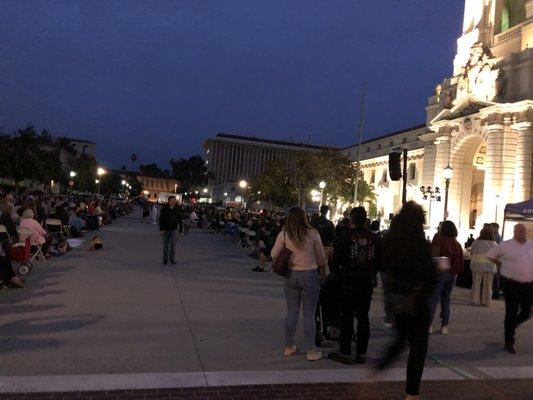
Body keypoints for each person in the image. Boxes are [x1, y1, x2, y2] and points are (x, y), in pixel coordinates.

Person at [378, 201, 437, 400]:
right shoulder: (418, 242)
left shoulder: (391, 239)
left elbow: (384, 266)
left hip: (396, 298)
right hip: (416, 299)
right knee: (418, 347)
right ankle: (412, 392)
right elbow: (427, 272)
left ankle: (378, 368)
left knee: (401, 339)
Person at [271, 207, 326, 361]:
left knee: (292, 312)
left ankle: (289, 346)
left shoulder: (284, 234)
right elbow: (321, 257)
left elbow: (274, 254)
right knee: (309, 314)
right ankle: (311, 350)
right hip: (309, 275)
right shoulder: (313, 233)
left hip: (291, 275)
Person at [328, 207, 381, 365]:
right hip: (366, 282)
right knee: (363, 317)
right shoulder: (375, 238)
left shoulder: (346, 236)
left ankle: (345, 351)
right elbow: (380, 260)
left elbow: (334, 259)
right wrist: (372, 273)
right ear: (365, 219)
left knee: (347, 316)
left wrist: (337, 273)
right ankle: (361, 353)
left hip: (349, 281)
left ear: (351, 220)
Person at [486, 224, 532, 354]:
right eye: (519, 230)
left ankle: (512, 325)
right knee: (511, 311)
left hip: (528, 284)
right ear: (514, 232)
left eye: (523, 230)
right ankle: (509, 341)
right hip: (511, 283)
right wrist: (500, 264)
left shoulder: (531, 245)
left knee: (527, 312)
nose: (522, 232)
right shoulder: (505, 245)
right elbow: (490, 255)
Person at [429, 220, 463, 335]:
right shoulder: (457, 244)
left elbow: (433, 255)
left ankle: (429, 324)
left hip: (440, 272)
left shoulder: (439, 239)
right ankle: (444, 325)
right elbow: (461, 262)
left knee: (433, 299)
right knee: (446, 299)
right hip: (452, 274)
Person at [470, 228, 497, 306]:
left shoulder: (475, 243)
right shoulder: (494, 243)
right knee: (488, 284)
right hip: (490, 266)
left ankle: (475, 300)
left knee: (476, 283)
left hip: (477, 265)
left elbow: (471, 253)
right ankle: (486, 301)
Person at [311, 205, 336, 274]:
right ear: (327, 212)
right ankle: (321, 280)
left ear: (320, 210)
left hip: (314, 245)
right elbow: (333, 236)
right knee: (323, 265)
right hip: (326, 246)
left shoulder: (314, 222)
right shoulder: (330, 223)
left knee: (314, 263)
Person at [158, 196, 182, 265]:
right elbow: (161, 220)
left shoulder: (178, 209)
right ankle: (165, 259)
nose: (173, 201)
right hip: (165, 229)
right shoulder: (164, 209)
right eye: (172, 200)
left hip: (174, 229)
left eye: (175, 200)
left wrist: (180, 230)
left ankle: (172, 259)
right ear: (169, 201)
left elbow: (180, 220)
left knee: (173, 245)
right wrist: (161, 229)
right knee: (165, 245)